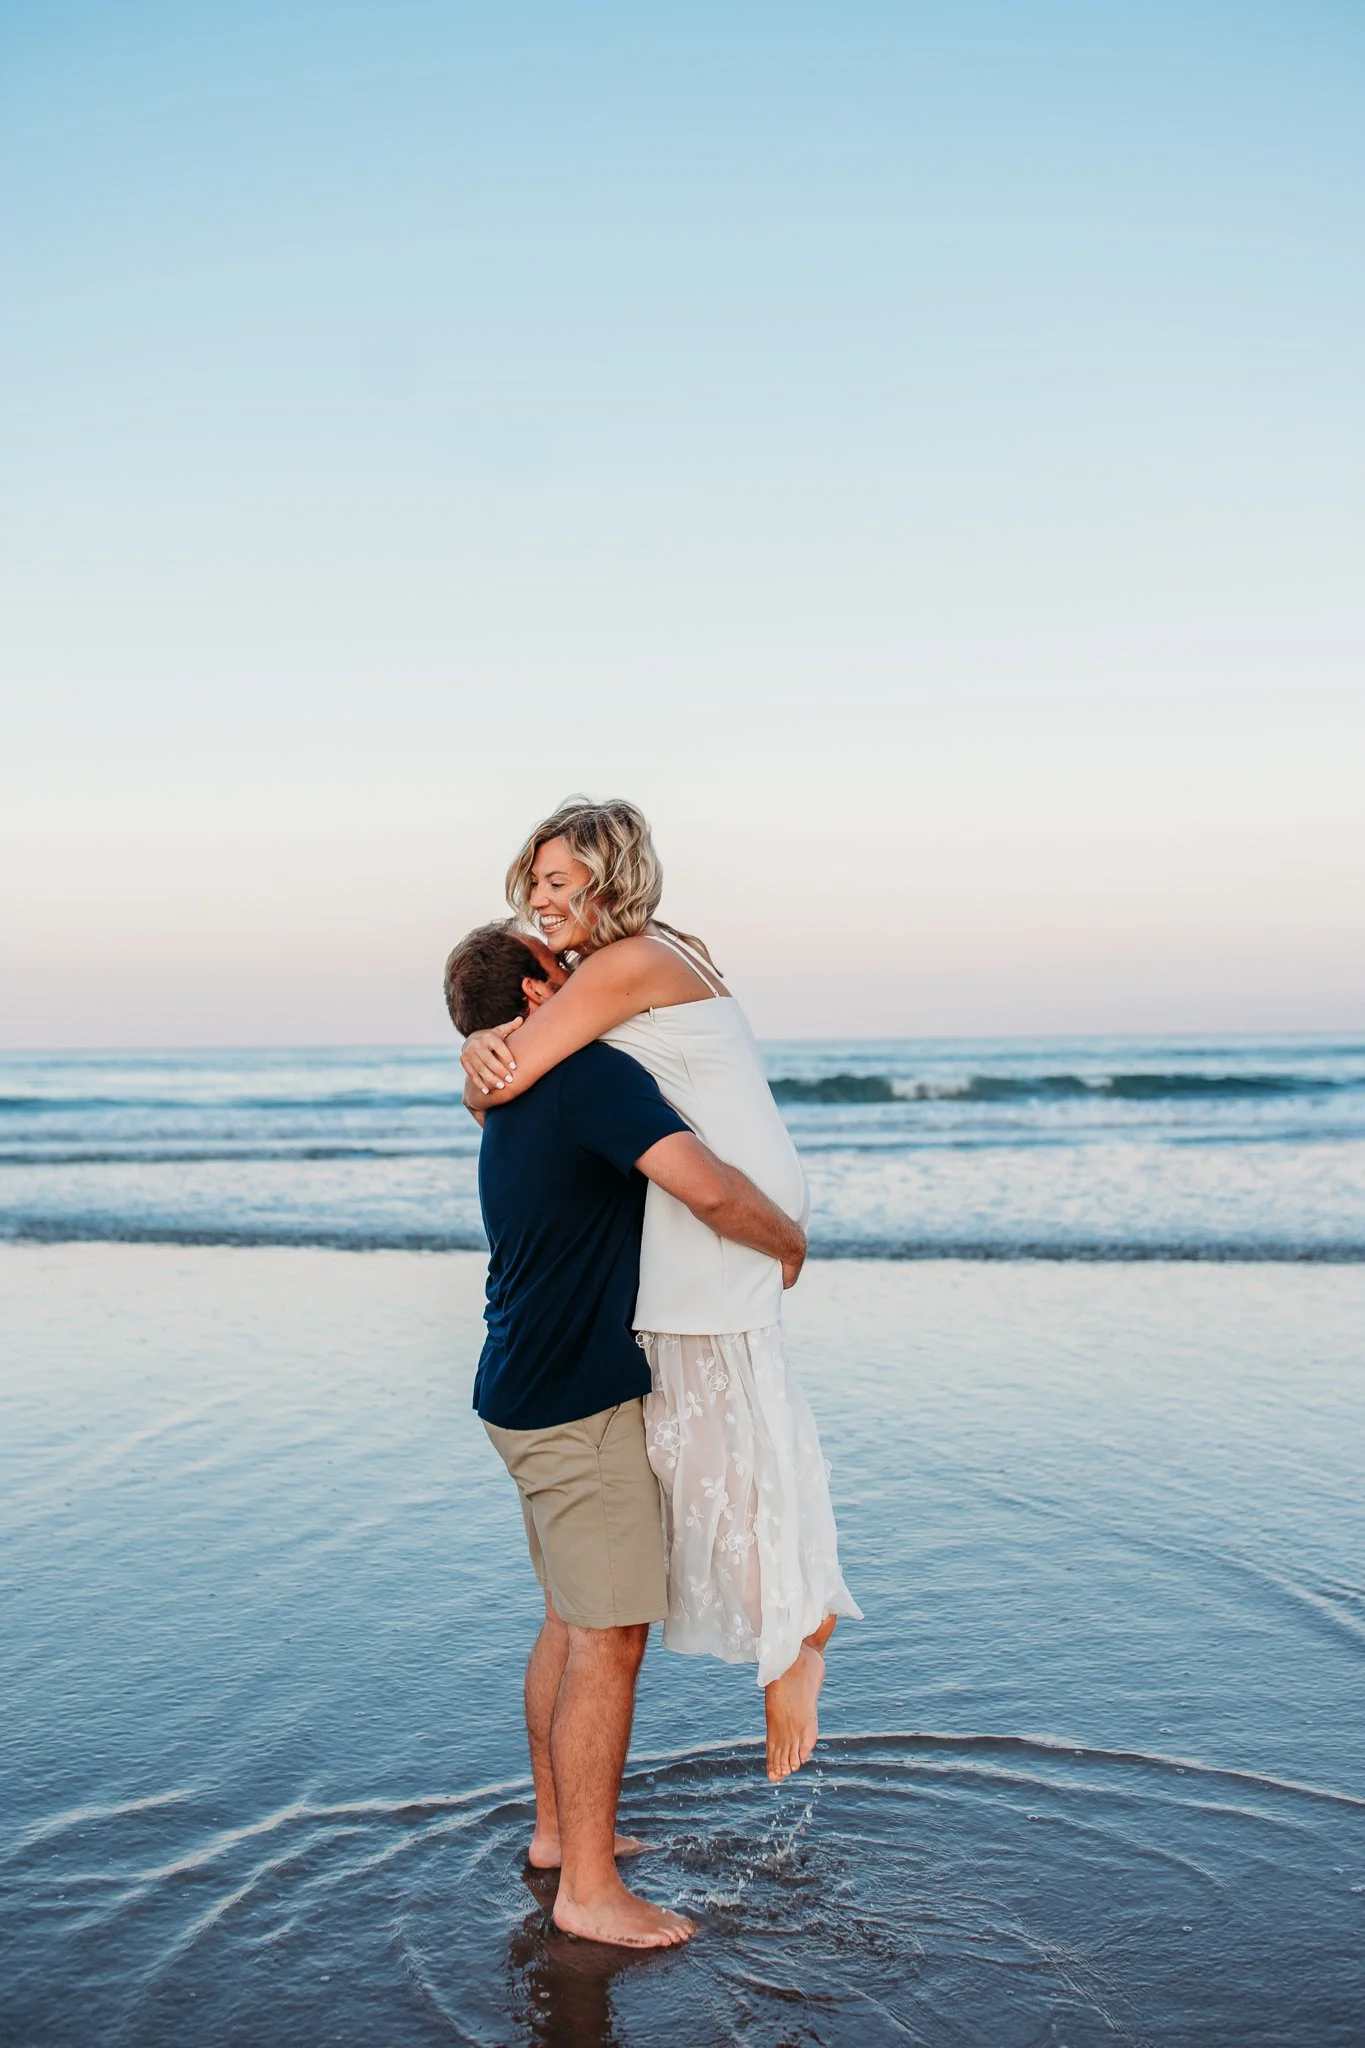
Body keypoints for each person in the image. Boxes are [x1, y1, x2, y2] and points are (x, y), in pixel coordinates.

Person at [459, 799, 860, 1786]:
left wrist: (477, 1057)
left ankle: (795, 1642)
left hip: (717, 1226)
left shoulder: (625, 964)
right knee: (728, 1446)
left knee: (708, 1455)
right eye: (535, 884)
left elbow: (505, 1083)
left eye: (559, 881)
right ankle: (794, 1632)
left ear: (611, 873)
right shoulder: (665, 949)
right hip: (719, 1226)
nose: (541, 900)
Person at [444, 919, 808, 1951]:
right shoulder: (587, 1076)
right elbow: (705, 1183)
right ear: (536, 985)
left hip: (519, 1387)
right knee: (607, 1636)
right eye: (562, 965)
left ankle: (563, 1839)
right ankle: (589, 1892)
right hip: (574, 1401)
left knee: (569, 1618)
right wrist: (787, 1237)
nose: (586, 975)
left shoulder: (511, 1090)